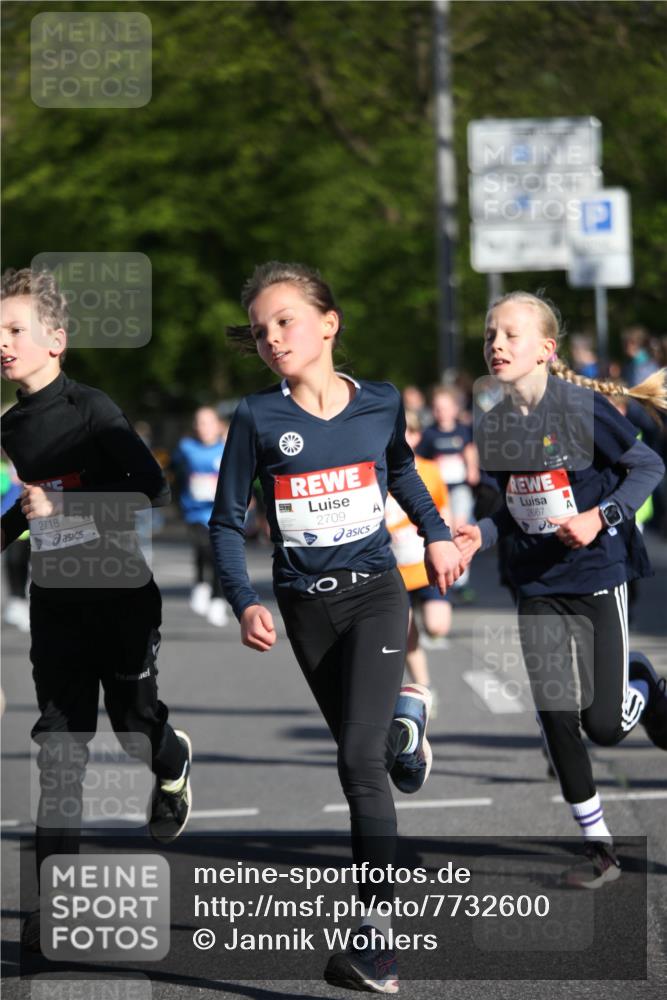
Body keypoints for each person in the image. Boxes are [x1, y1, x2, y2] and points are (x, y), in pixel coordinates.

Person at [209, 261, 463, 994]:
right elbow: (225, 522)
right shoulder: (258, 418)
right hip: (302, 607)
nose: (271, 338)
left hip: (377, 594)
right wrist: (242, 600)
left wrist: (437, 533)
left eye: (284, 320)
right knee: (368, 749)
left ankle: (376, 942)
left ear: (328, 322)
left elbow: (402, 472)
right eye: (260, 331)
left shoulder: (379, 403)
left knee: (355, 765)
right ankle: (403, 721)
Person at [0, 268, 193, 950]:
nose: (3, 343)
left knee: (135, 725)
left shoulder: (92, 409)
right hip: (56, 604)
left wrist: (61, 508)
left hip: (120, 598)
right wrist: (25, 517)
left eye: (14, 329)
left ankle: (172, 764)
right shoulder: (11, 428)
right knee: (59, 745)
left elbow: (150, 487)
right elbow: (15, 517)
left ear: (55, 340)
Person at [454, 290, 666, 888]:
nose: (496, 345)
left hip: (599, 575)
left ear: (546, 350)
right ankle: (599, 850)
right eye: (490, 335)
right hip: (536, 581)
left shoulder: (581, 408)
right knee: (555, 718)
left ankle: (644, 682)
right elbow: (511, 509)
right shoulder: (492, 424)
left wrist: (602, 517)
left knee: (603, 724)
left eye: (510, 335)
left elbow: (648, 467)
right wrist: (481, 535)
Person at [385, 410, 451, 705]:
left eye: (409, 433)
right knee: (407, 634)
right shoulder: (378, 472)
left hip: (429, 566)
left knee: (437, 626)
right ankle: (424, 689)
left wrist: (449, 544)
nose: (404, 439)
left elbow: (443, 510)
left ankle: (428, 623)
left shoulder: (429, 470)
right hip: (397, 568)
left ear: (417, 436)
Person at [172, 406, 229, 626]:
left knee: (219, 555)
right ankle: (201, 585)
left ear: (218, 426)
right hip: (194, 511)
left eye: (207, 422)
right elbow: (173, 472)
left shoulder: (226, 449)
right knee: (203, 547)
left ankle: (216, 598)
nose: (202, 427)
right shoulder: (186, 448)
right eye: (199, 423)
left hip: (219, 511)